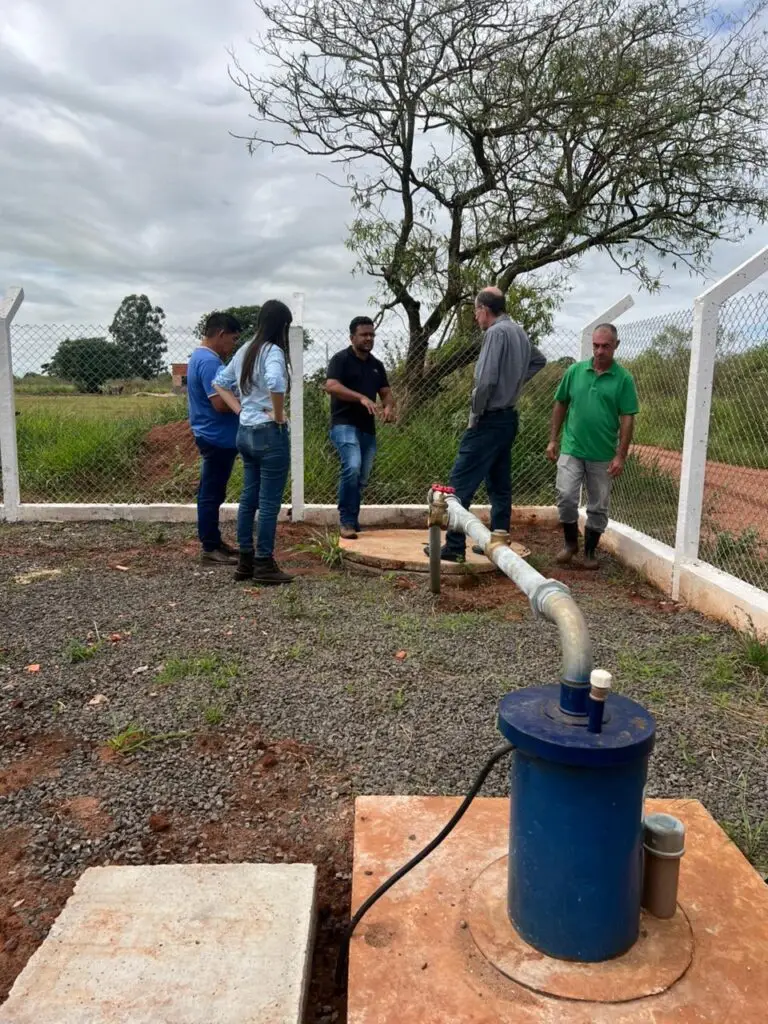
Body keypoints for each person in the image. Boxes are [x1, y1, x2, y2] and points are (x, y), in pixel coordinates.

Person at [429, 287, 547, 562]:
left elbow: (485, 382)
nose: (475, 318)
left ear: (484, 309)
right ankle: (498, 540)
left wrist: (475, 415)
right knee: (499, 483)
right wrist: (515, 382)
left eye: (475, 312)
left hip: (489, 418)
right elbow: (538, 361)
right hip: (508, 419)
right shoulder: (518, 331)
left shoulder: (495, 333)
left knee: (460, 482)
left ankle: (455, 546)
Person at [213, 300, 293, 585]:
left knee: (249, 498)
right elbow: (275, 382)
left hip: (244, 433)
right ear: (282, 326)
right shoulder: (273, 352)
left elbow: (218, 382)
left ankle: (245, 562)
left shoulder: (245, 349)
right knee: (269, 503)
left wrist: (240, 410)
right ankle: (264, 564)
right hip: (269, 434)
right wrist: (280, 416)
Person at [546, 323, 639, 569]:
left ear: (616, 346)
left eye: (606, 346)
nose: (599, 351)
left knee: (598, 505)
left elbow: (627, 418)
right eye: (596, 346)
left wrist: (621, 455)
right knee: (566, 496)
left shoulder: (624, 379)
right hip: (572, 448)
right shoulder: (575, 372)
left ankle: (589, 552)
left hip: (603, 454)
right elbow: (560, 403)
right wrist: (553, 439)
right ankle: (570, 544)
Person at [325, 316, 395, 539]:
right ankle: (346, 521)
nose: (369, 338)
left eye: (371, 335)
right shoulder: (341, 360)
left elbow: (386, 393)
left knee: (361, 477)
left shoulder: (376, 365)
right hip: (344, 424)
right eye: (364, 335)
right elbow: (331, 386)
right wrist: (361, 398)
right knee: (352, 466)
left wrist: (389, 407)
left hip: (367, 428)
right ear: (352, 337)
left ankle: (352, 520)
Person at [186, 312, 242, 564]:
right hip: (216, 436)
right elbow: (220, 403)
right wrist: (247, 403)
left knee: (214, 491)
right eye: (232, 339)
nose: (232, 346)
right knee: (210, 492)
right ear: (220, 334)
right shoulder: (210, 362)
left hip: (212, 434)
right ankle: (210, 546)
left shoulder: (199, 357)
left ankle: (214, 541)